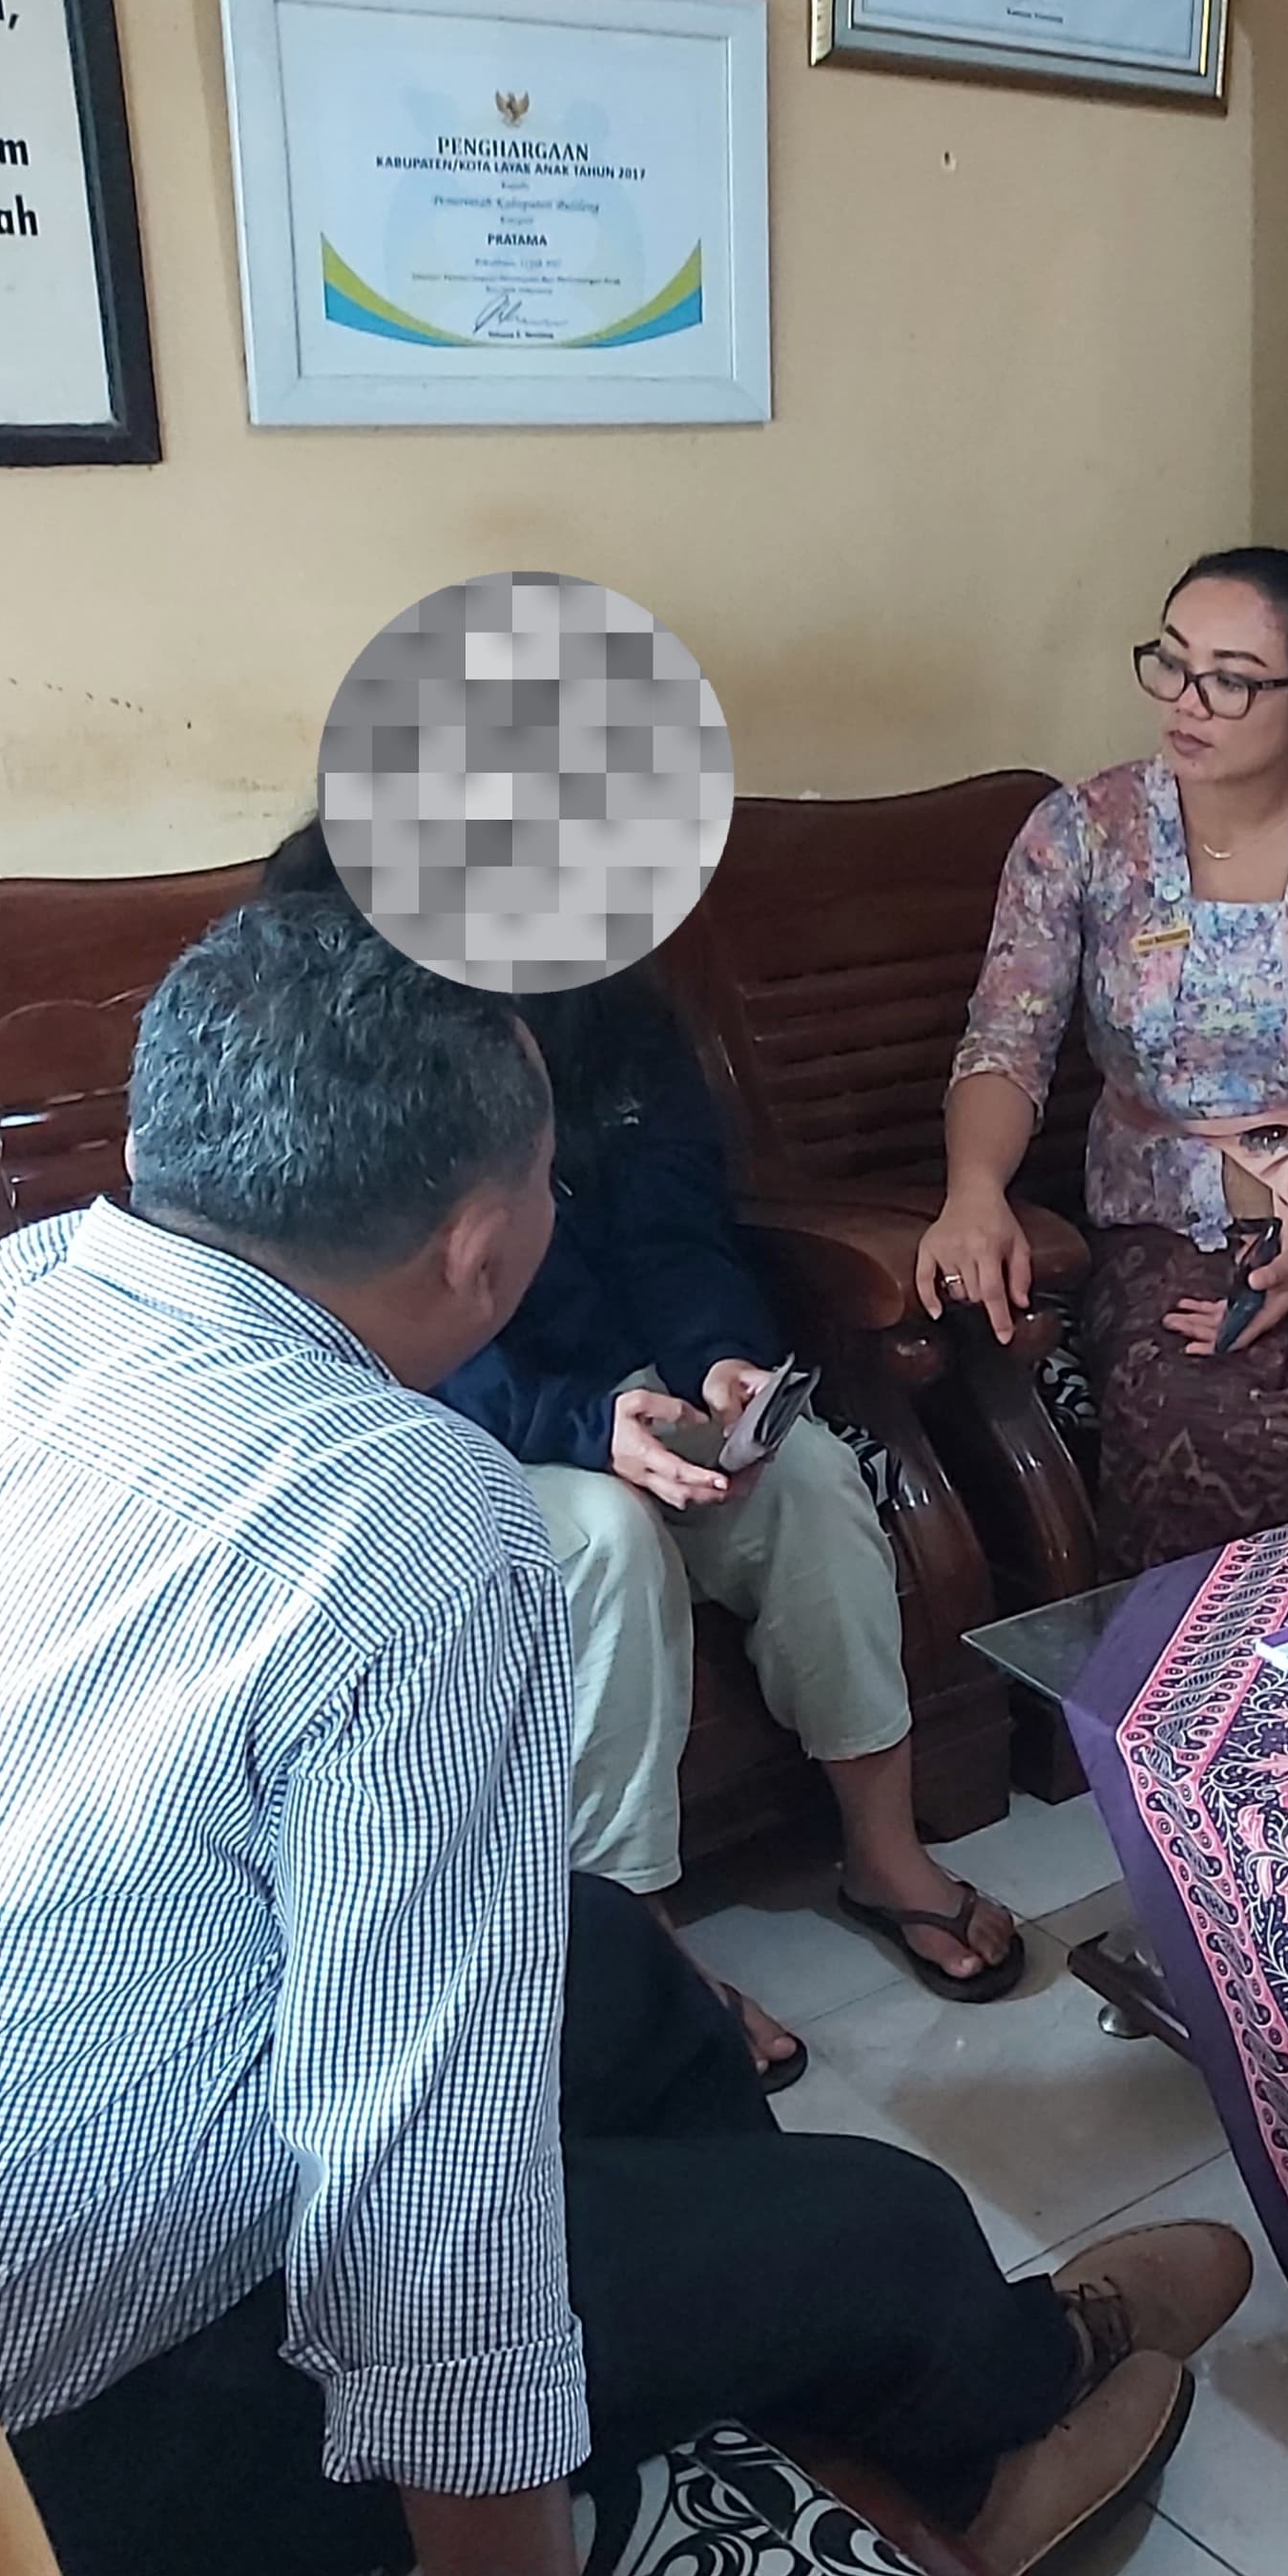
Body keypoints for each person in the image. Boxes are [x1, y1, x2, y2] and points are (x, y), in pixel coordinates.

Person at [0, 901, 1250, 2576]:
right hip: (9, 2437)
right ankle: (984, 2411)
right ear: (481, 1247)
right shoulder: (405, 1513)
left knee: (611, 1965)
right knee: (893, 2220)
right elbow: (412, 2139)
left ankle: (800, 2381)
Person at [266, 827, 1022, 2051]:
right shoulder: (345, 997)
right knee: (604, 1537)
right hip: (439, 1410)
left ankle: (883, 1850)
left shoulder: (608, 996)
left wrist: (716, 1362)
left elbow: (675, 1225)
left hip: (616, 1383)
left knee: (806, 1475)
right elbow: (380, 1306)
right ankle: (642, 1946)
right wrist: (579, 1428)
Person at [917, 545, 1288, 1574]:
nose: (1187, 701)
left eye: (1232, 680)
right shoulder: (1081, 836)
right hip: (1156, 1218)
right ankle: (1177, 1675)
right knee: (1179, 1405)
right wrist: (975, 1190)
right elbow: (1006, 1041)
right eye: (1171, 663)